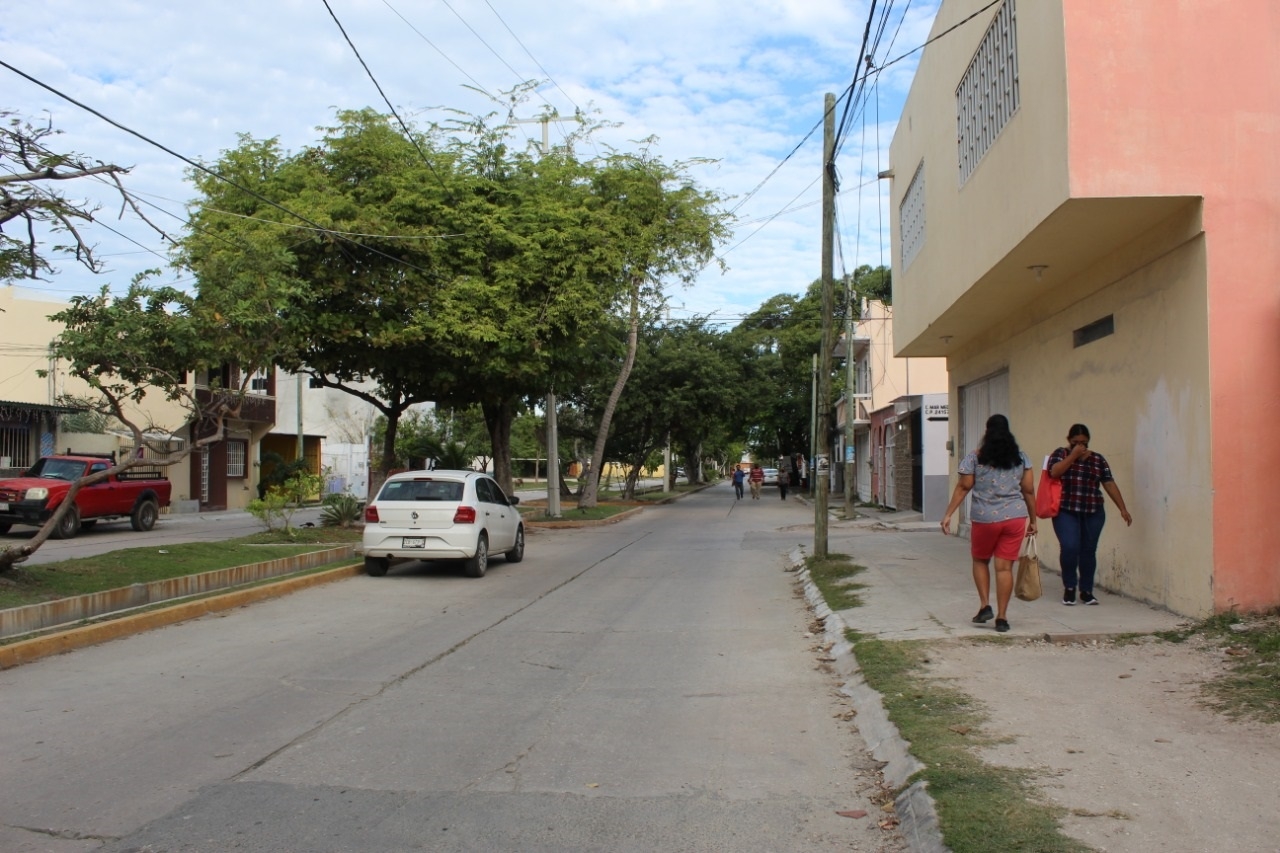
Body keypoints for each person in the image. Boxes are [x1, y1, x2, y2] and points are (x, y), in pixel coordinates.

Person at [940, 414, 1036, 633]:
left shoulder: (975, 458)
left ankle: (985, 605)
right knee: (1004, 569)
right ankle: (1002, 618)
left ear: (987, 432)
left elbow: (964, 487)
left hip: (985, 519)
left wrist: (948, 515)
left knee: (980, 561)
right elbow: (1028, 490)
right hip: (1014, 519)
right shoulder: (1022, 458)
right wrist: (1034, 519)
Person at [1047, 424, 1132, 606]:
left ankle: (1086, 591)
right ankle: (1070, 587)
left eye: (1083, 443)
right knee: (1070, 547)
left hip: (1092, 511)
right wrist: (1073, 456)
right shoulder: (1060, 454)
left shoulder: (1097, 459)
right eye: (1076, 442)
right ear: (1069, 440)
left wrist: (1122, 508)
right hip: (1066, 510)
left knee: (1088, 550)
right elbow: (1054, 472)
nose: (1080, 445)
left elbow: (1109, 483)